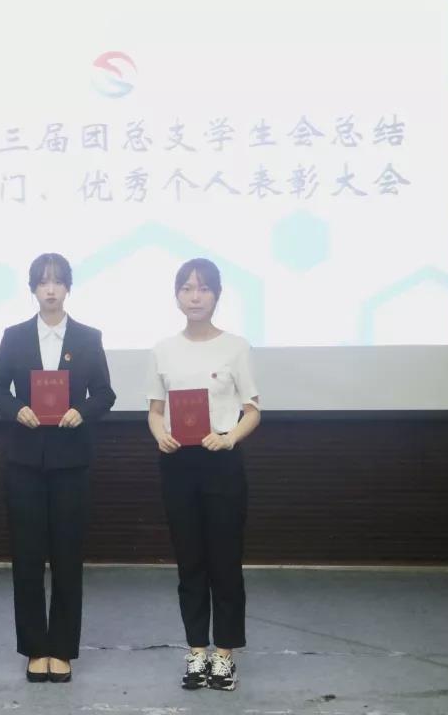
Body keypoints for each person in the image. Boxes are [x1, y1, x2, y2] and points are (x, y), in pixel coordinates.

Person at [0, 252, 115, 683]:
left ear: (69, 287)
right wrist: (16, 409)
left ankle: (61, 649)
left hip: (71, 462)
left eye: (58, 281)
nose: (51, 289)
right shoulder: (15, 336)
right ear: (33, 289)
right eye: (43, 282)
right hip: (24, 461)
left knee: (67, 558)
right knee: (26, 558)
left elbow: (105, 394)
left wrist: (82, 411)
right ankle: (34, 648)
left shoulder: (88, 337)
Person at [146, 257, 260, 692]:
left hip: (221, 463)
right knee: (189, 561)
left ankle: (225, 653)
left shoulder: (236, 347)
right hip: (178, 464)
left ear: (217, 295)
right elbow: (155, 411)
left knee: (225, 562)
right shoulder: (163, 349)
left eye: (204, 288)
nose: (195, 296)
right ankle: (196, 649)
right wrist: (161, 435)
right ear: (177, 296)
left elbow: (252, 410)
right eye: (187, 288)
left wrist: (229, 438)